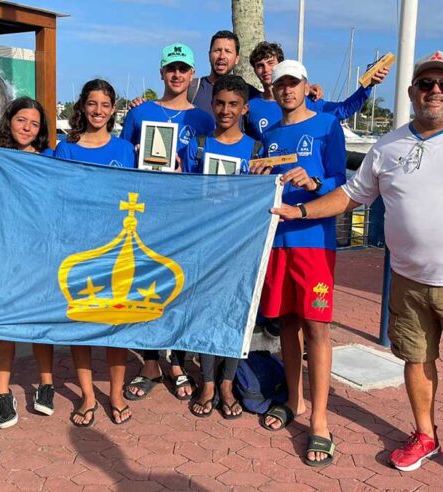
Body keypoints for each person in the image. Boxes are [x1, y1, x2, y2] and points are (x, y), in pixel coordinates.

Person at [271, 51, 443, 491]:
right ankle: (425, 434)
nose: (435, 90)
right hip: (408, 278)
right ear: (413, 91)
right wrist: (299, 211)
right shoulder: (388, 146)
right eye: (426, 83)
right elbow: (351, 196)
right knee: (415, 361)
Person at [250, 60, 346, 467]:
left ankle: (320, 421)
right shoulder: (269, 135)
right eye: (281, 84)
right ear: (273, 91)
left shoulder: (327, 126)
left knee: (317, 327)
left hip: (313, 242)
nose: (287, 90)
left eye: (294, 83)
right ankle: (295, 400)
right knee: (287, 322)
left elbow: (344, 183)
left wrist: (315, 184)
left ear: (307, 86)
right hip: (277, 242)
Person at [120, 43, 214, 402]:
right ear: (161, 72)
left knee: (179, 287)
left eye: (183, 69)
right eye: (171, 68)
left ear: (192, 75)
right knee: (146, 285)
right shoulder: (140, 114)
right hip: (146, 213)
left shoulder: (204, 119)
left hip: (186, 217)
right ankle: (149, 361)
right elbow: (125, 160)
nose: (176, 75)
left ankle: (173, 361)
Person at [55, 79, 136, 426]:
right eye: (92, 104)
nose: (98, 111)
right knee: (83, 323)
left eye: (105, 105)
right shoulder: (66, 148)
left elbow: (142, 189)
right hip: (80, 246)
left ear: (113, 109)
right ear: (82, 107)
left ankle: (115, 394)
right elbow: (53, 191)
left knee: (116, 323)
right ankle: (88, 396)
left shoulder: (125, 149)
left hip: (117, 247)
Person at [179, 75, 259, 419]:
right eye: (220, 103)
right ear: (212, 105)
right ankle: (208, 381)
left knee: (236, 312)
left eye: (233, 105)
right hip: (205, 244)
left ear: (244, 109)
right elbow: (186, 193)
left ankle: (227, 382)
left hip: (243, 245)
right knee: (206, 311)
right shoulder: (197, 145)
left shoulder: (256, 149)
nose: (225, 110)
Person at [0, 97, 56, 429]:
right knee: (5, 327)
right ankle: (2, 393)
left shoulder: (49, 161)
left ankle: (46, 384)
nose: (27, 128)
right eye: (21, 120)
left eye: (34, 124)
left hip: (39, 254)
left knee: (40, 323)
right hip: (5, 254)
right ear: (9, 120)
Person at [245, 41, 389, 140]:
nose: (266, 70)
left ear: (282, 65)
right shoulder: (250, 105)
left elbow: (344, 110)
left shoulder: (306, 101)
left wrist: (368, 85)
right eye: (260, 66)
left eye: (271, 63)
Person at [187, 30, 260, 113]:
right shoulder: (191, 89)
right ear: (209, 55)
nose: (222, 56)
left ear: (236, 59)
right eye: (217, 50)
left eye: (228, 51)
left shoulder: (251, 94)